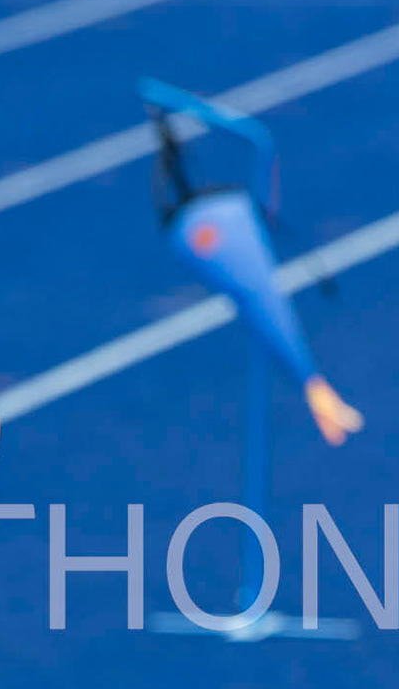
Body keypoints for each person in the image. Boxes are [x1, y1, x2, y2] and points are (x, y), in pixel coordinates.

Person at [141, 79, 363, 446]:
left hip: (222, 226)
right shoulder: (231, 223)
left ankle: (314, 386)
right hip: (224, 227)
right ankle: (315, 387)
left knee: (258, 302)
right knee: (258, 300)